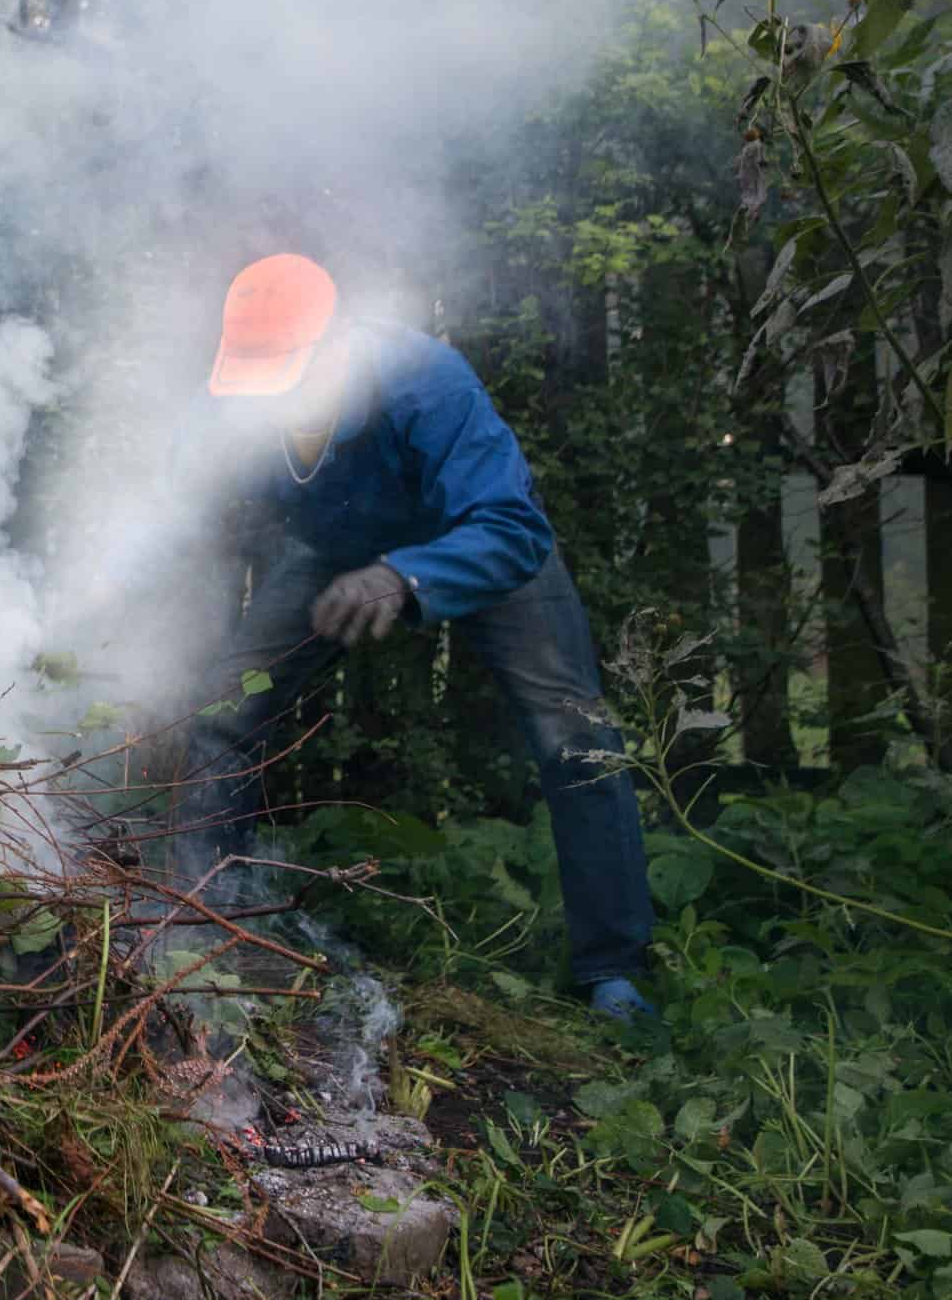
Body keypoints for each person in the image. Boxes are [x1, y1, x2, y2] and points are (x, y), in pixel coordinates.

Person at [187, 253, 656, 1018]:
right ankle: (197, 922)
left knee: (575, 737)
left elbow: (510, 523)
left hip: (477, 538)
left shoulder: (423, 378)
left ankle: (613, 969)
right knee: (220, 712)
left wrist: (404, 576)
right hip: (333, 551)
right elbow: (180, 496)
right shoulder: (236, 390)